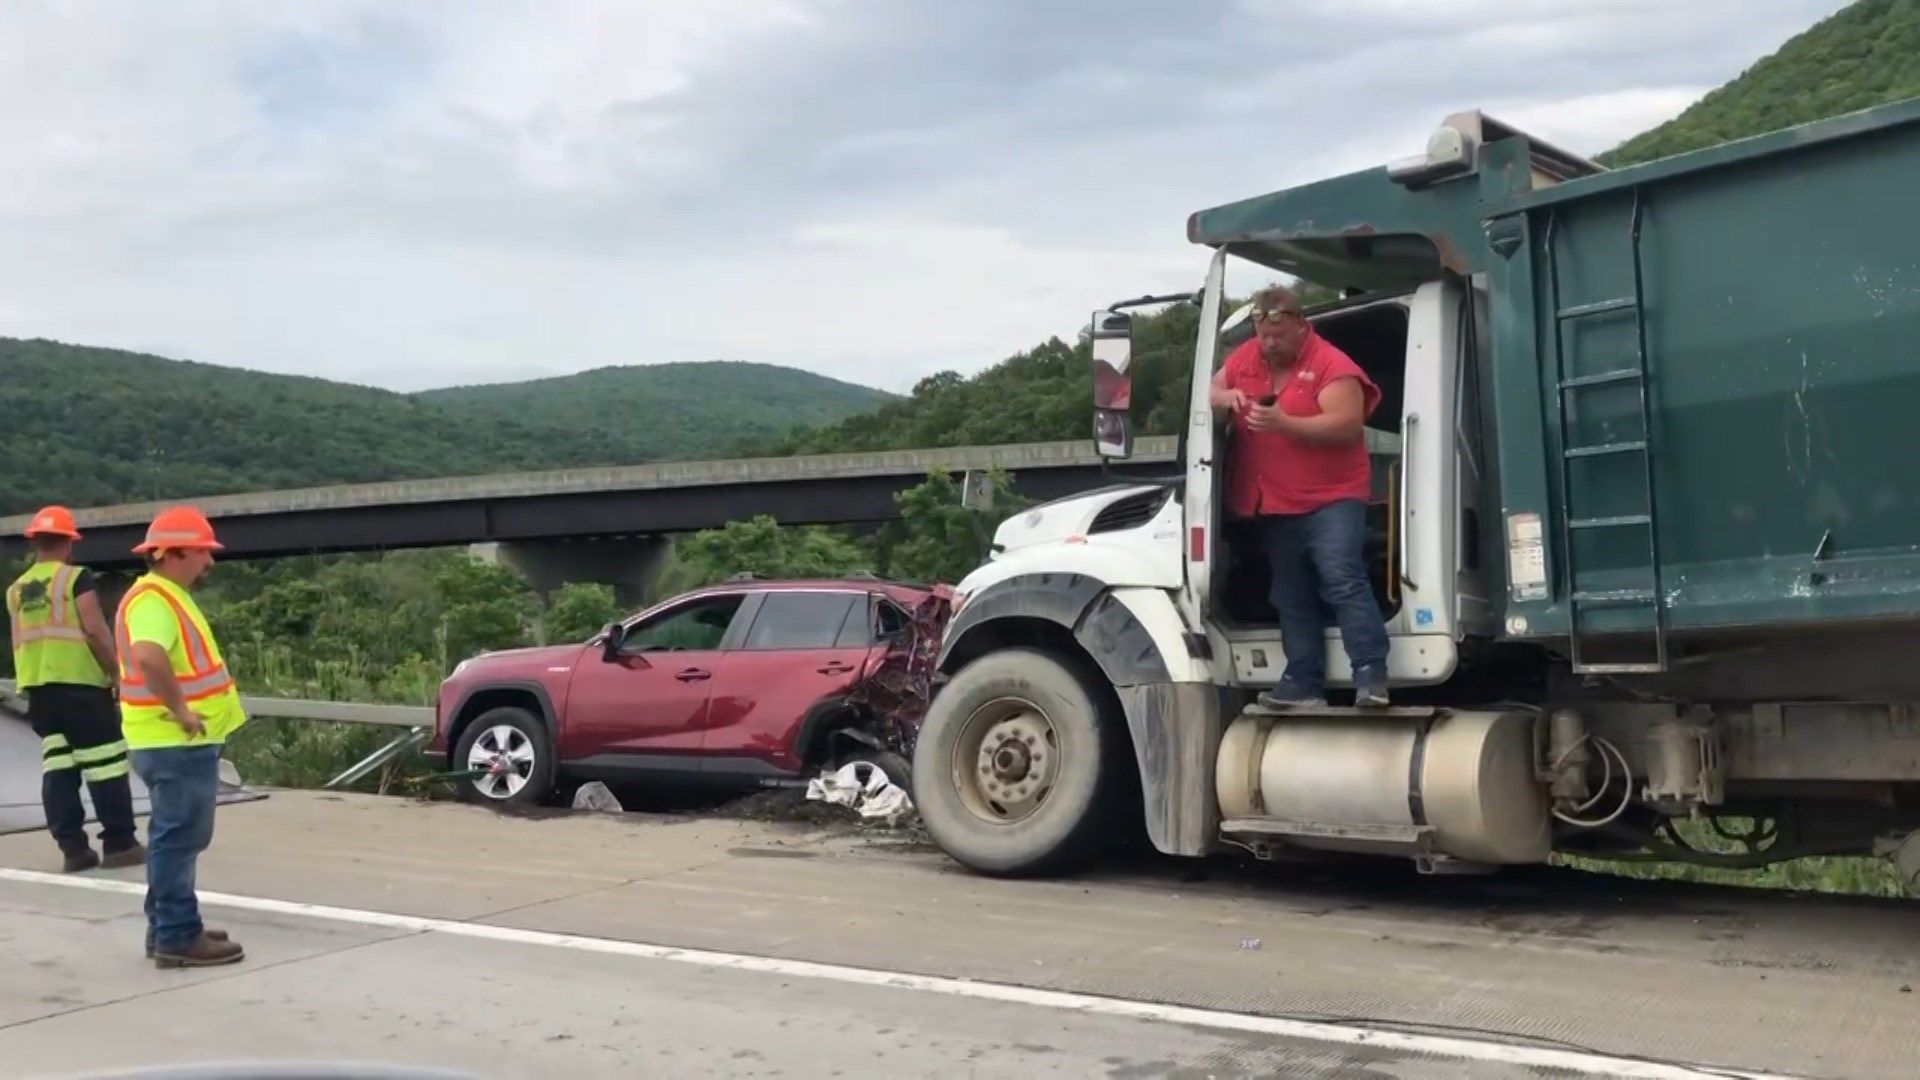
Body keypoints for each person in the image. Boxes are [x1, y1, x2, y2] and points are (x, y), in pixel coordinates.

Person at [1209, 285, 1391, 708]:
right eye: (1262, 334)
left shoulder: (1332, 364)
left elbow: (1346, 425)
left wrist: (1284, 424)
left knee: (1342, 578)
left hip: (1332, 498)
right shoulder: (1245, 358)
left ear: (1300, 325)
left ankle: (1370, 675)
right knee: (1289, 592)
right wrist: (1226, 396)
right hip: (1275, 500)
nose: (1269, 344)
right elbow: (1210, 390)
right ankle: (1301, 680)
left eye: (1278, 335)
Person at [115, 505, 245, 968]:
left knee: (177, 837)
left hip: (166, 739)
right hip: (174, 740)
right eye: (201, 552)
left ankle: (167, 926)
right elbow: (149, 656)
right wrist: (182, 710)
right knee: (180, 838)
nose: (209, 561)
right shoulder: (155, 600)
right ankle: (176, 934)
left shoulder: (162, 594)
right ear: (171, 553)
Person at [5, 506, 142, 872]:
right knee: (106, 765)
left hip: (40, 692)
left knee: (59, 768)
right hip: (81, 686)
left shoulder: (16, 590)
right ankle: (120, 843)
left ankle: (73, 850)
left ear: (34, 542)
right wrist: (118, 673)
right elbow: (95, 630)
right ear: (69, 543)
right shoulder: (75, 579)